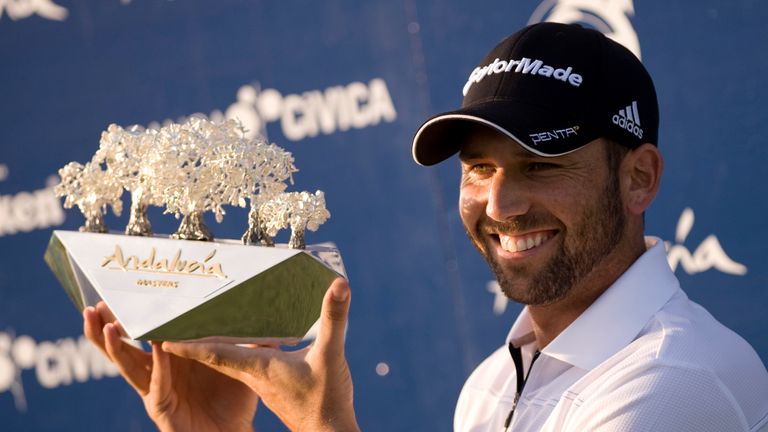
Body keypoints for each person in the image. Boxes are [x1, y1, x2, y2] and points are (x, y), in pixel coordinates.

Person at [84, 22, 768, 431]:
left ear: (639, 177)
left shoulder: (678, 380)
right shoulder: (492, 386)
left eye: (538, 165)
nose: (498, 205)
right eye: (478, 169)